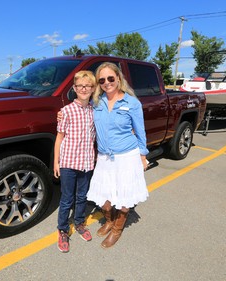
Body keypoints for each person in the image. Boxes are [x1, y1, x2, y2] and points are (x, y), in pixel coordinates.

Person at [87, 62, 149, 249]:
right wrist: (61, 116)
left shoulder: (131, 102)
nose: (107, 83)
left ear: (119, 78)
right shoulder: (96, 102)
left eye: (111, 78)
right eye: (102, 80)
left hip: (126, 157)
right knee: (105, 199)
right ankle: (109, 220)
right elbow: (81, 112)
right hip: (105, 158)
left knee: (124, 197)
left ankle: (116, 230)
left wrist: (143, 155)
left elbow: (140, 132)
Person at [54, 70, 96, 253]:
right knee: (66, 199)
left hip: (86, 163)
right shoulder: (66, 111)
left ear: (93, 88)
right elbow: (59, 137)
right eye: (80, 86)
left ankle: (79, 222)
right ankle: (63, 229)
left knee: (82, 196)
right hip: (69, 163)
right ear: (74, 88)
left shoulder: (95, 110)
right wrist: (56, 162)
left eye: (88, 86)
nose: (84, 89)